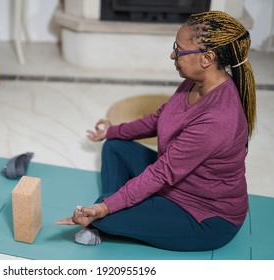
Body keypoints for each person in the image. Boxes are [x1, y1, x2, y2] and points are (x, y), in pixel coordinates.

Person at [56, 10, 256, 251]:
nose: (173, 55)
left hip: (203, 215)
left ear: (207, 58)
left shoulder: (218, 118)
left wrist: (104, 208)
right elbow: (160, 119)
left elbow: (162, 173)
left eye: (179, 51)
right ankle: (111, 214)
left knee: (104, 212)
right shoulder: (195, 81)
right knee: (115, 146)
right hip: (176, 184)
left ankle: (105, 220)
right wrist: (112, 131)